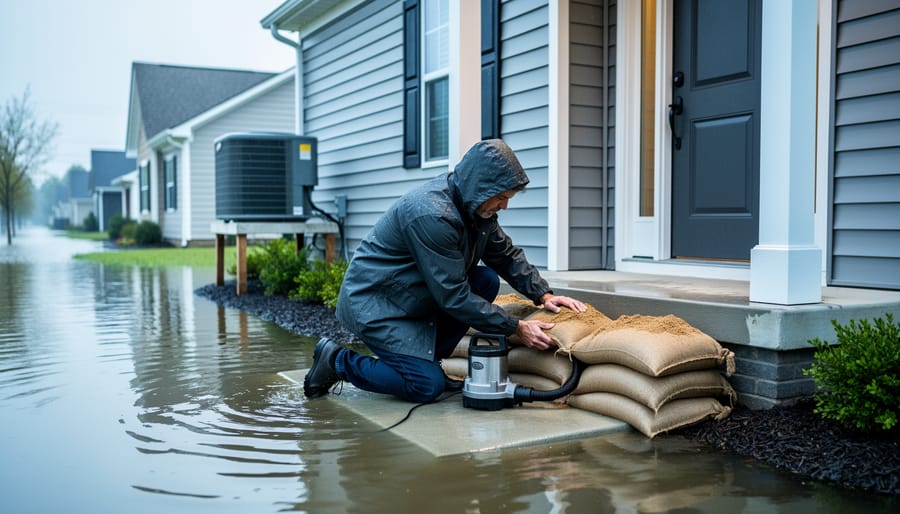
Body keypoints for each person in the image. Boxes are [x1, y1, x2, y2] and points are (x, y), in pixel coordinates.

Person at [304, 139, 586, 403]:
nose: (505, 205)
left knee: (485, 280)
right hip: (378, 302)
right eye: (501, 197)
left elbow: (503, 253)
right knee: (425, 387)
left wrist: (544, 294)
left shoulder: (475, 208)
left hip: (411, 293)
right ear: (480, 187)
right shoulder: (432, 215)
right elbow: (453, 297)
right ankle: (338, 361)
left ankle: (429, 363)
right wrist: (517, 327)